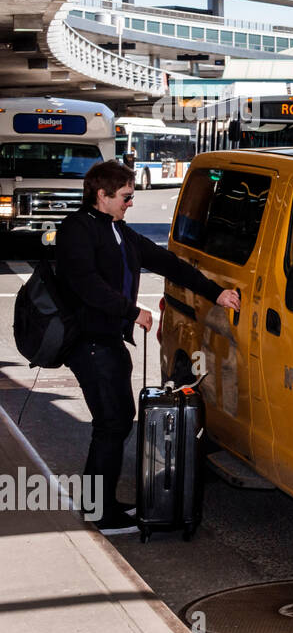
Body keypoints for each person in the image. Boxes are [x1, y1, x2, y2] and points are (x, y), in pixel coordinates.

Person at [55, 160, 240, 535]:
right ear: (102, 195)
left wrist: (216, 293)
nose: (130, 203)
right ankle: (100, 512)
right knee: (113, 422)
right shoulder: (77, 230)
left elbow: (167, 262)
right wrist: (132, 311)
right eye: (125, 197)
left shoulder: (117, 230)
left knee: (116, 421)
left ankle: (97, 503)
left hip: (108, 340)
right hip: (89, 343)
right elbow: (86, 284)